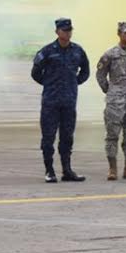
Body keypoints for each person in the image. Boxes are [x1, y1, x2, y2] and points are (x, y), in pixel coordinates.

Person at [31, 18, 90, 183]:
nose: (68, 33)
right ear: (57, 32)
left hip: (69, 102)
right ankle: (49, 171)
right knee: (48, 138)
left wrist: (74, 83)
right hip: (50, 102)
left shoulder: (78, 50)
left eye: (69, 30)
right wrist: (49, 84)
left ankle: (67, 170)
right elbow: (35, 73)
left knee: (67, 137)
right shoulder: (47, 51)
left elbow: (85, 70)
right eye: (64, 30)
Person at [96, 22, 126, 180]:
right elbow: (100, 74)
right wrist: (110, 90)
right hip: (115, 102)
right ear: (119, 34)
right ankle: (112, 169)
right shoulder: (110, 54)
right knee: (112, 135)